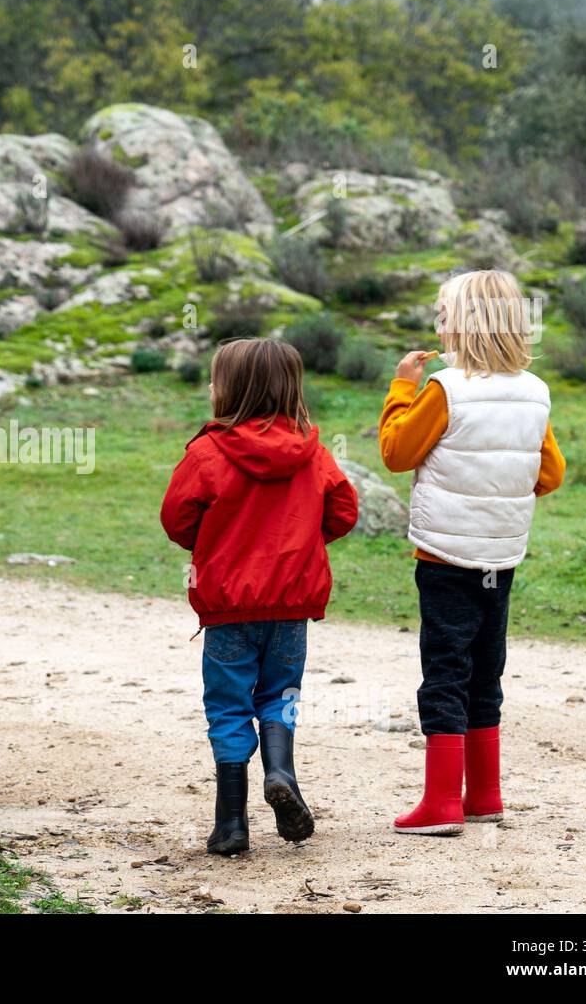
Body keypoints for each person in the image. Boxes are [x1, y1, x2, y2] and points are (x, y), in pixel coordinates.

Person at [380, 269, 565, 836]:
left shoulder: (443, 388)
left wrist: (400, 389)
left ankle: (440, 803)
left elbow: (395, 452)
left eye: (443, 314)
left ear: (460, 325)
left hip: (444, 558)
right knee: (487, 670)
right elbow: (551, 474)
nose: (438, 324)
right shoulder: (536, 393)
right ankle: (485, 795)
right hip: (501, 557)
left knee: (444, 670)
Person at [161, 337, 358, 855]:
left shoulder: (207, 452)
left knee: (227, 708)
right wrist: (300, 546)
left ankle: (231, 825)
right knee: (281, 694)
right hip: (291, 607)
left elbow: (177, 519)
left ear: (228, 390)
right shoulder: (312, 451)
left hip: (228, 608)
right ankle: (281, 771)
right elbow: (343, 513)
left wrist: (215, 543)